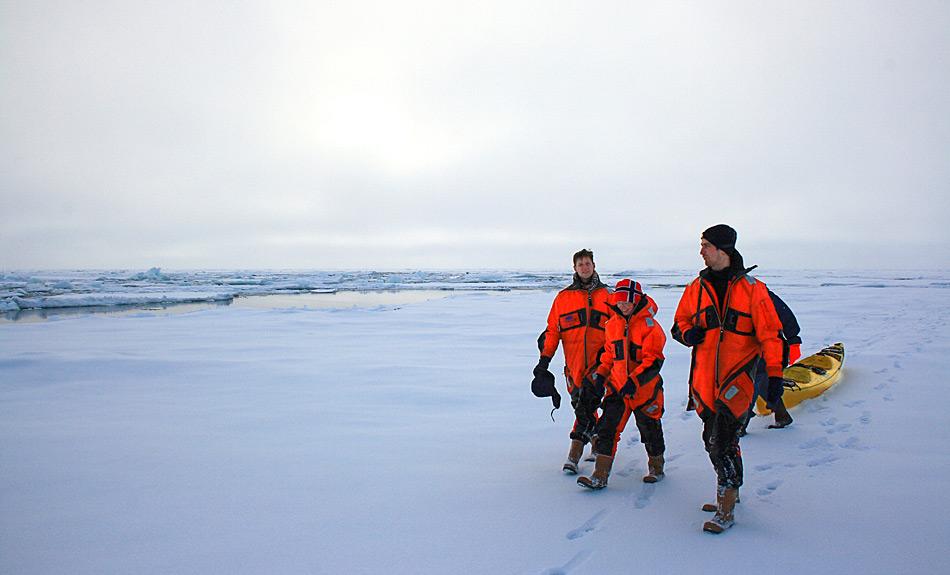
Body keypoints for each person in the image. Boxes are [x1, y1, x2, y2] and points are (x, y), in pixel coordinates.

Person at [671, 224, 785, 534]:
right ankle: (732, 491)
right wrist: (686, 333)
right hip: (705, 381)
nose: (701, 251)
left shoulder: (752, 289)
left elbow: (772, 337)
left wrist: (774, 375)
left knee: (721, 442)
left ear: (723, 250)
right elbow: (679, 323)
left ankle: (726, 505)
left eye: (706, 245)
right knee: (713, 440)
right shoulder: (696, 287)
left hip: (738, 378)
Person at [577, 279, 667, 490]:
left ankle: (656, 466)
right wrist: (600, 375)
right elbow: (609, 355)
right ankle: (599, 475)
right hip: (617, 388)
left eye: (627, 301)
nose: (622, 305)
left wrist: (634, 381)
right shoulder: (612, 325)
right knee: (607, 429)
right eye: (619, 301)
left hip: (645, 391)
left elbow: (654, 360)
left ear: (636, 301)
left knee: (650, 429)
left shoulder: (650, 327)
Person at [532, 249, 611, 474]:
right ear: (575, 268)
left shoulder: (609, 296)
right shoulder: (563, 298)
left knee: (586, 406)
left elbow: (619, 328)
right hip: (574, 366)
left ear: (594, 266)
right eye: (580, 264)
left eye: (588, 263)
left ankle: (574, 455)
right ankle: (596, 443)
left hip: (602, 364)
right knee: (580, 406)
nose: (584, 267)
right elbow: (552, 331)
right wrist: (544, 360)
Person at [740, 290, 802, 434]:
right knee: (764, 384)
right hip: (745, 350)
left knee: (751, 385)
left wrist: (794, 340)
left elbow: (785, 314)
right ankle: (782, 416)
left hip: (767, 349)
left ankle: (739, 427)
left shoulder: (756, 291)